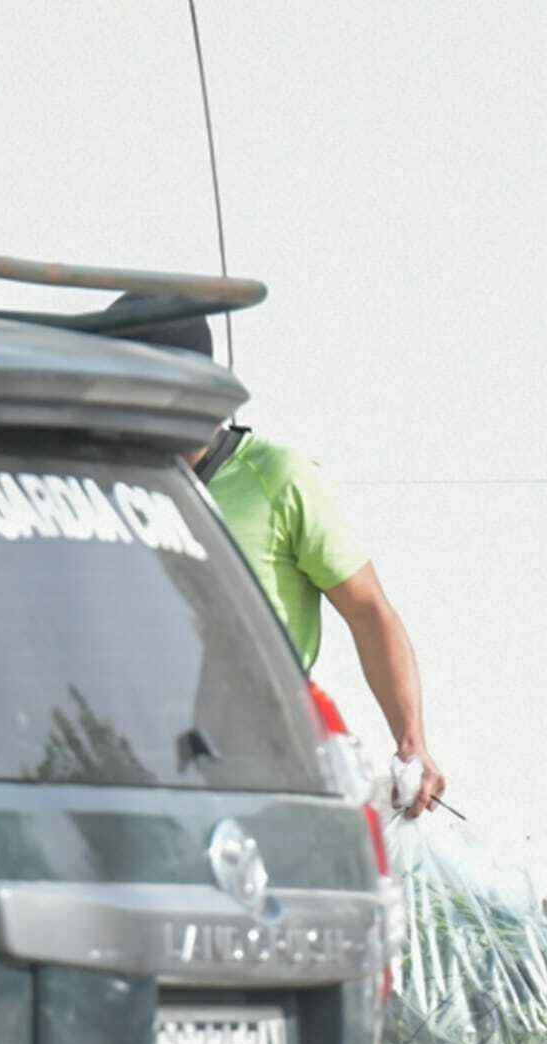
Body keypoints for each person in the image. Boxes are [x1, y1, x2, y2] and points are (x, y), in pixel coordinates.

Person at [119, 305, 447, 816]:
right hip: (132, 764)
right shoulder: (108, 481)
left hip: (259, 773)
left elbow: (369, 612)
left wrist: (411, 741)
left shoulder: (276, 478)